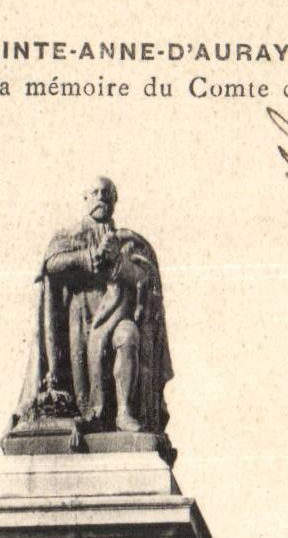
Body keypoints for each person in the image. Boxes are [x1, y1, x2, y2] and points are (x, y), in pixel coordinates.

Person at [10, 176, 172, 436]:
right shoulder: (69, 235)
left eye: (107, 193)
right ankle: (92, 413)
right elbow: (51, 265)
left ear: (115, 201)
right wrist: (89, 258)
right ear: (85, 199)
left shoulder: (128, 241)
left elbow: (145, 279)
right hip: (82, 320)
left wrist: (118, 262)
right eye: (95, 192)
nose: (101, 197)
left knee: (128, 336)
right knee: (85, 382)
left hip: (118, 313)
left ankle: (125, 413)